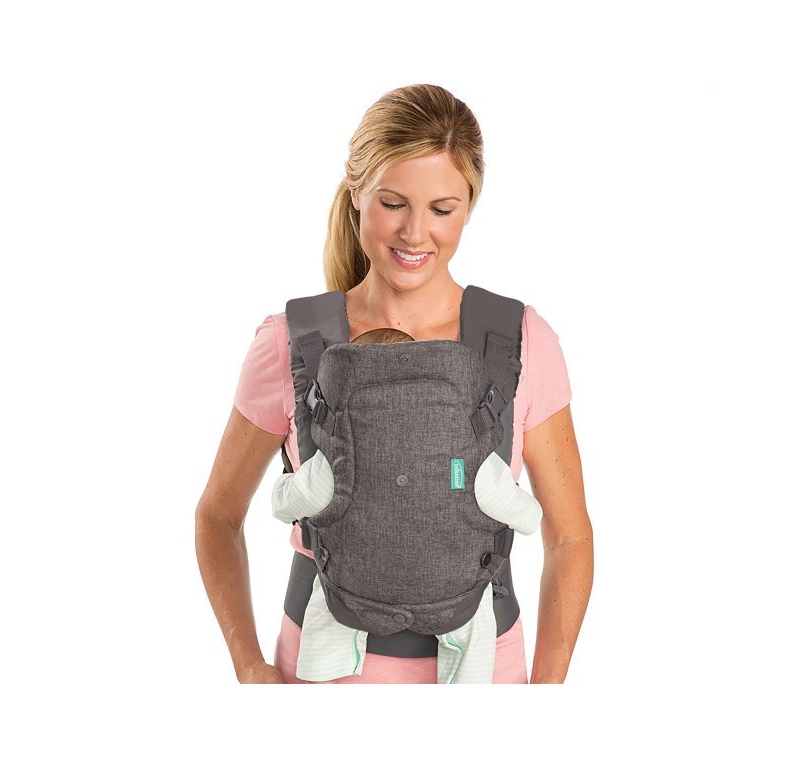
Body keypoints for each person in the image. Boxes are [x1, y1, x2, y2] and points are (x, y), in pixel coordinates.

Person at [195, 83, 594, 684]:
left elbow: (569, 538)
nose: (414, 233)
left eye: (442, 209)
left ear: (470, 207)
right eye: (393, 203)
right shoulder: (292, 341)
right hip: (321, 678)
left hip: (485, 677)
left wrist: (548, 689)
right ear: (356, 191)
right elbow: (218, 516)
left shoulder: (519, 341)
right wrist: (248, 666)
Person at [270, 327, 544, 684]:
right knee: (476, 622)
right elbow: (528, 518)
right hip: (454, 596)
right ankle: (469, 677)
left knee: (327, 598)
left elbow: (284, 505)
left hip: (352, 595)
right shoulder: (471, 461)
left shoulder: (333, 464)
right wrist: (517, 500)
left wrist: (286, 480)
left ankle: (324, 666)